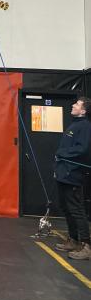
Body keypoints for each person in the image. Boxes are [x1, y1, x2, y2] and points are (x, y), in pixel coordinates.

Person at [54, 96, 91, 260]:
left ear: (83, 111)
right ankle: (74, 240)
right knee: (66, 207)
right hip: (64, 173)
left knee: (76, 210)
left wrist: (62, 153)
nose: (73, 105)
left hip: (73, 174)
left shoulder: (85, 126)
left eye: (77, 104)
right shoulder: (74, 124)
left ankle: (86, 246)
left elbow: (82, 149)